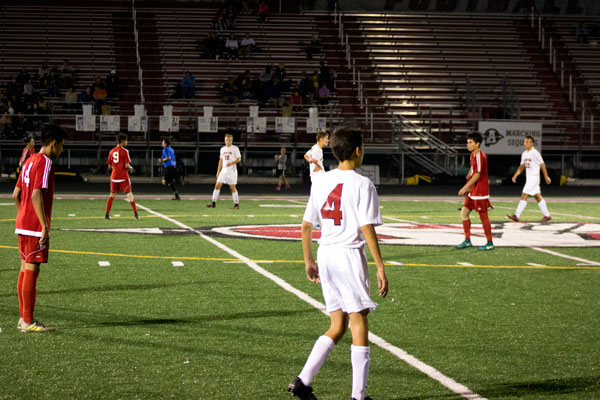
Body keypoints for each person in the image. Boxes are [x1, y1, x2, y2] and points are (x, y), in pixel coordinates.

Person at [288, 127, 388, 400]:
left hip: (326, 253)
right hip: (348, 254)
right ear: (358, 151)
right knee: (358, 320)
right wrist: (380, 265)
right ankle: (358, 396)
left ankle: (303, 381)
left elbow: (306, 226)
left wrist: (308, 260)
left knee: (338, 323)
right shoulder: (363, 184)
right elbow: (367, 228)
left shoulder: (320, 181)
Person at [12, 124, 67, 332]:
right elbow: (36, 194)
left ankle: (22, 317)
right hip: (34, 227)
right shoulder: (45, 162)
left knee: (24, 269)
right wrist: (43, 225)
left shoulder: (28, 161)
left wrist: (23, 215)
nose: (61, 150)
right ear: (54, 144)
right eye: (61, 146)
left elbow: (15, 195)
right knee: (32, 271)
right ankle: (28, 321)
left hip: (22, 224)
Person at [456, 131, 494, 251]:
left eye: (471, 142)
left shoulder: (479, 155)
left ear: (477, 144)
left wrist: (465, 187)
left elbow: (478, 175)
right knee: (464, 213)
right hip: (473, 191)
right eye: (467, 142)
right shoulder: (473, 154)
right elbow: (474, 169)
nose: (468, 144)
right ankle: (467, 240)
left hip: (480, 191)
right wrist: (469, 174)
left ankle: (489, 242)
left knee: (483, 217)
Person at [507, 136, 552, 222]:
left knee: (524, 195)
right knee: (537, 197)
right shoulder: (524, 153)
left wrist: (546, 177)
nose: (525, 143)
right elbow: (521, 167)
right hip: (529, 177)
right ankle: (547, 215)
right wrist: (515, 175)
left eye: (527, 142)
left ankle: (516, 215)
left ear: (532, 143)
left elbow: (542, 165)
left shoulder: (535, 153)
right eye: (525, 142)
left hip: (534, 177)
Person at [105, 133, 139, 220]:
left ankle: (107, 214)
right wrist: (131, 169)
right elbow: (127, 166)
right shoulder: (125, 151)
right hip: (123, 177)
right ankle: (136, 214)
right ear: (123, 141)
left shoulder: (111, 151)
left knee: (112, 195)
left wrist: (116, 168)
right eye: (126, 140)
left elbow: (109, 166)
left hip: (114, 176)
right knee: (129, 194)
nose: (127, 142)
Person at [207, 133, 241, 209]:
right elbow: (221, 160)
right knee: (217, 185)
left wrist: (231, 163)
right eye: (226, 140)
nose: (228, 141)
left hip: (232, 171)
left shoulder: (235, 148)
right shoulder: (222, 149)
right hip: (223, 171)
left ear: (232, 140)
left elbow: (239, 159)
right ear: (224, 140)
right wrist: (218, 171)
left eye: (229, 140)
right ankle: (213, 203)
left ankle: (236, 204)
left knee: (232, 187)